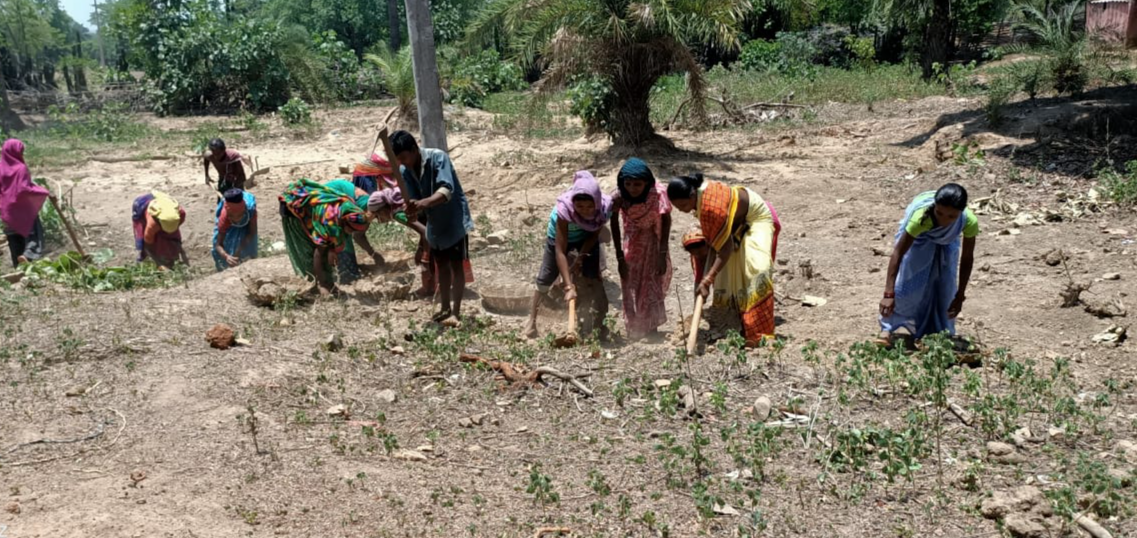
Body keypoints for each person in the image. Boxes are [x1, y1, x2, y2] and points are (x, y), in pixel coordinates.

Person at [667, 173, 781, 347]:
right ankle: (734, 325)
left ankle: (759, 335)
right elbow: (715, 245)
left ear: (692, 196)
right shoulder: (700, 201)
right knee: (725, 278)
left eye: (683, 205)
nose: (682, 210)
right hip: (733, 224)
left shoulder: (710, 208)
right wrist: (707, 280)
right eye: (677, 207)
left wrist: (708, 278)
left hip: (755, 217)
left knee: (757, 270)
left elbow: (724, 249)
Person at [391, 130, 474, 328]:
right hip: (434, 224)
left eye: (404, 157)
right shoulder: (405, 171)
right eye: (398, 160)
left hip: (453, 220)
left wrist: (422, 203)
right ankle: (445, 308)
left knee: (456, 266)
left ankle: (456, 312)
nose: (403, 162)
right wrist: (412, 209)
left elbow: (446, 190)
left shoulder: (438, 158)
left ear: (414, 150)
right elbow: (413, 201)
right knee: (441, 266)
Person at [878, 183, 978, 347]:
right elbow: (898, 253)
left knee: (945, 289)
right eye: (939, 213)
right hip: (920, 241)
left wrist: (960, 296)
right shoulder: (921, 218)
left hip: (947, 245)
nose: (944, 220)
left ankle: (935, 332)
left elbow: (967, 258)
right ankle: (888, 328)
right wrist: (888, 294)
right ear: (934, 207)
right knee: (908, 286)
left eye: (951, 216)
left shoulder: (969, 221)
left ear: (960, 213)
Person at [523, 171, 612, 339]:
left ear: (597, 202)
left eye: (589, 207)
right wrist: (569, 286)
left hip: (586, 236)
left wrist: (580, 259)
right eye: (580, 207)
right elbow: (559, 250)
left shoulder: (604, 209)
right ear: (573, 204)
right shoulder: (562, 212)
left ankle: (598, 322)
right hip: (559, 239)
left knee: (592, 276)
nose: (585, 211)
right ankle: (532, 321)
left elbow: (594, 236)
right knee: (545, 278)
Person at [610, 158, 672, 340]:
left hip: (653, 241)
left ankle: (651, 326)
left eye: (637, 184)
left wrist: (662, 254)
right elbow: (613, 223)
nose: (632, 188)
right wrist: (620, 258)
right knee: (629, 282)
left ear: (646, 182)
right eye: (628, 183)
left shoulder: (658, 194)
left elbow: (666, 220)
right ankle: (634, 327)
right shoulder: (619, 196)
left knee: (651, 283)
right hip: (632, 242)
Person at [279, 178, 370, 295]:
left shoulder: (348, 210)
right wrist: (322, 285)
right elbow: (318, 253)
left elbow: (334, 241)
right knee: (307, 252)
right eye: (352, 230)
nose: (351, 233)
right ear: (345, 223)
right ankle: (314, 285)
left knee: (327, 251)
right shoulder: (330, 224)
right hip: (293, 208)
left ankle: (328, 283)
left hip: (314, 209)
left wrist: (332, 250)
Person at [0, 139, 49, 267]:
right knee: (34, 234)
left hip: (7, 212)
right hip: (22, 209)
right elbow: (24, 189)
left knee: (13, 239)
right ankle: (27, 255)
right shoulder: (21, 168)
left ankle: (18, 267)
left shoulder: (1, 168)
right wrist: (42, 191)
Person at [322, 178, 380, 284]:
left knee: (342, 237)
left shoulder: (370, 210)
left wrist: (373, 254)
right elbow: (356, 235)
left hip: (340, 199)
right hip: (331, 197)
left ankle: (345, 271)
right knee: (342, 239)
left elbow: (358, 235)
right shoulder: (366, 209)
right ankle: (346, 274)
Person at [132, 190, 189, 269]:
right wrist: (156, 260)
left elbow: (175, 231)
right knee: (151, 242)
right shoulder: (153, 224)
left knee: (169, 240)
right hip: (144, 203)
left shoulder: (180, 214)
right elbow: (148, 240)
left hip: (163, 201)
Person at [212, 188, 258, 271]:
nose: (236, 219)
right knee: (224, 250)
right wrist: (226, 256)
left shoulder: (250, 210)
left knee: (250, 248)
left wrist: (238, 250)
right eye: (232, 216)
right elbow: (218, 244)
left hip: (246, 223)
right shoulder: (224, 217)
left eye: (238, 215)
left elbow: (252, 232)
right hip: (229, 225)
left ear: (243, 211)